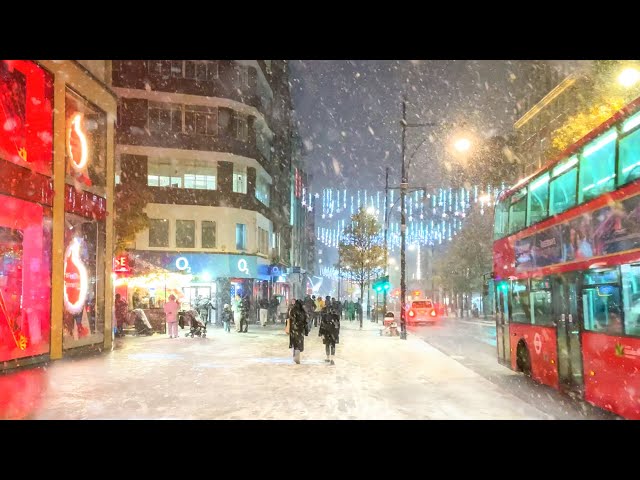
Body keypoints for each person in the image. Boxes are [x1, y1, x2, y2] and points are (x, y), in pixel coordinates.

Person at [319, 301, 340, 365]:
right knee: (329, 345)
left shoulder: (334, 316)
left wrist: (321, 333)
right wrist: (321, 333)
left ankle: (331, 358)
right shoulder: (327, 316)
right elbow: (322, 325)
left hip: (329, 332)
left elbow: (337, 325)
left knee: (329, 345)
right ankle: (330, 358)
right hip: (329, 332)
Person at [288, 299, 309, 364]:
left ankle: (295, 356)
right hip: (300, 329)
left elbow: (289, 319)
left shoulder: (292, 310)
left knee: (294, 342)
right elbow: (306, 322)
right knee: (299, 343)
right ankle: (297, 357)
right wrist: (306, 331)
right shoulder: (303, 312)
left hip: (293, 329)